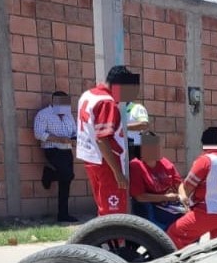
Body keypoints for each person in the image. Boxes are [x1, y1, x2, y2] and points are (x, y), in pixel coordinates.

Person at [76, 65, 140, 216]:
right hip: (106, 162)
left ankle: (104, 238)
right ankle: (114, 240)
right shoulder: (107, 102)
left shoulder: (88, 95)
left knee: (103, 207)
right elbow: (102, 139)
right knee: (114, 213)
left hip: (91, 158)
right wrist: (117, 173)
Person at [167, 126, 217, 250]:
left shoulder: (205, 161)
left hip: (207, 212)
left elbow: (186, 189)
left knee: (173, 235)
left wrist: (181, 194)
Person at [33, 90, 78, 223]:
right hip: (52, 149)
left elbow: (74, 131)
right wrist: (58, 139)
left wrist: (74, 139)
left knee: (67, 180)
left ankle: (63, 214)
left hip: (67, 150)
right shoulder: (43, 114)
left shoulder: (68, 114)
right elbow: (38, 134)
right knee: (67, 175)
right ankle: (49, 174)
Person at [128, 131, 185, 231]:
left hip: (169, 205)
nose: (158, 149)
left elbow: (178, 183)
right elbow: (140, 197)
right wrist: (165, 197)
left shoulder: (165, 162)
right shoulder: (136, 166)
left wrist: (183, 197)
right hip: (150, 207)